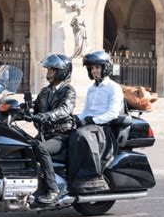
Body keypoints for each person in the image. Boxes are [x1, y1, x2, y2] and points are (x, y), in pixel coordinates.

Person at [68, 50, 124, 193]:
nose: (94, 71)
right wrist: (75, 118)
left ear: (105, 68)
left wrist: (93, 120)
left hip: (103, 128)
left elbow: (112, 113)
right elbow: (86, 110)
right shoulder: (92, 88)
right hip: (90, 125)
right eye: (92, 68)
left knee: (81, 136)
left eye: (97, 67)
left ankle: (91, 178)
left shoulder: (114, 88)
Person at [32, 54, 76, 204]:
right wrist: (18, 110)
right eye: (48, 70)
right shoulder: (45, 92)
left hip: (61, 135)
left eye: (52, 70)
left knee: (42, 149)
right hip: (45, 133)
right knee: (22, 145)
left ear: (62, 71)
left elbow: (64, 109)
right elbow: (35, 107)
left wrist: (47, 116)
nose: (48, 73)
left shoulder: (68, 91)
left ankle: (53, 190)